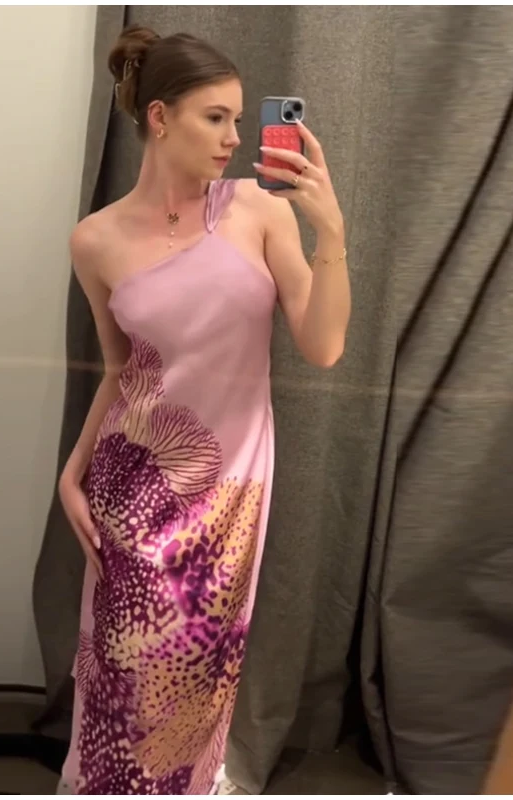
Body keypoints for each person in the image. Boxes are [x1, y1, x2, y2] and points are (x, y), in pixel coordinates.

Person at [56, 23, 351, 796]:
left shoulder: (257, 210)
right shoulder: (95, 240)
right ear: (160, 117)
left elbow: (322, 346)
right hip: (129, 485)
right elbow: (122, 370)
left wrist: (331, 234)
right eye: (215, 117)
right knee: (120, 682)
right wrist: (72, 472)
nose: (234, 137)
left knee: (192, 688)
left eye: (239, 118)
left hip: (226, 498)